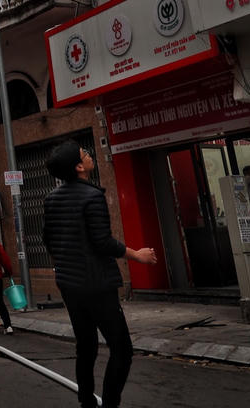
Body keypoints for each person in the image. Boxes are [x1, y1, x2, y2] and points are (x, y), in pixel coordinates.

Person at [43, 142, 157, 408]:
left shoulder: (51, 198)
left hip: (70, 285)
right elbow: (102, 242)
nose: (89, 155)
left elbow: (48, 240)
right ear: (79, 167)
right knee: (122, 350)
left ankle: (86, 402)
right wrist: (137, 254)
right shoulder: (92, 197)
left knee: (86, 346)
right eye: (85, 154)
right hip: (96, 284)